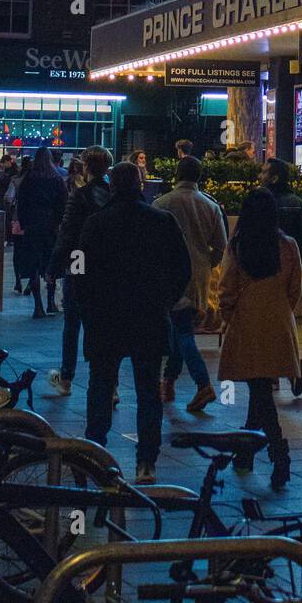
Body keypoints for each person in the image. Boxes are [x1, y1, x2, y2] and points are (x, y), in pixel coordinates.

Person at [77, 161, 190, 483]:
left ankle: (95, 454)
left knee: (100, 387)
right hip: (149, 317)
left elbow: (79, 269)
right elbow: (182, 268)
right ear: (140, 185)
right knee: (147, 392)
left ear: (111, 186)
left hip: (105, 319)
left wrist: (88, 306)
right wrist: (165, 301)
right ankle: (146, 462)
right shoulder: (162, 221)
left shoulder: (96, 223)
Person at [218, 187, 302, 490]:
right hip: (278, 323)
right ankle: (245, 452)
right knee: (260, 388)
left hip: (247, 323)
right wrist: (281, 311)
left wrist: (229, 316)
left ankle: (279, 453)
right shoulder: (288, 245)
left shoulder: (239, 245)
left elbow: (226, 289)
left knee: (260, 390)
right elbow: (296, 289)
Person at [155, 155, 227, 411]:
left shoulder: (162, 203)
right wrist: (208, 264)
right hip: (198, 275)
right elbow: (221, 245)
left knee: (182, 332)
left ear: (177, 173)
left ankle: (203, 384)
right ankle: (169, 382)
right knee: (180, 327)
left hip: (169, 274)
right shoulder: (210, 205)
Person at [45, 146, 113, 397]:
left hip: (78, 260)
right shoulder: (114, 195)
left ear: (86, 166)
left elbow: (67, 233)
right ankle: (110, 382)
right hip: (105, 265)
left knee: (72, 321)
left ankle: (66, 377)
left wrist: (53, 267)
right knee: (102, 323)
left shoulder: (79, 196)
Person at [16, 146, 67, 318]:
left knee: (34, 266)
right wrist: (58, 222)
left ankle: (38, 306)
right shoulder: (56, 178)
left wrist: (23, 224)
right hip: (50, 225)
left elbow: (21, 202)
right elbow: (63, 202)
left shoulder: (29, 178)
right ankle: (51, 301)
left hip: (32, 224)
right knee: (50, 264)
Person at [260, 158, 302, 271]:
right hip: (293, 268)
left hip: (264, 269)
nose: (260, 176)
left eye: (264, 173)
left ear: (274, 179)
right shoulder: (300, 205)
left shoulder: (260, 205)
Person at [6, 155, 31, 294]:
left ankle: (17, 282)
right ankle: (31, 283)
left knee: (18, 251)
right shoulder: (38, 180)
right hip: (34, 221)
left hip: (18, 219)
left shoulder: (16, 180)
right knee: (32, 251)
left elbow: (9, 198)